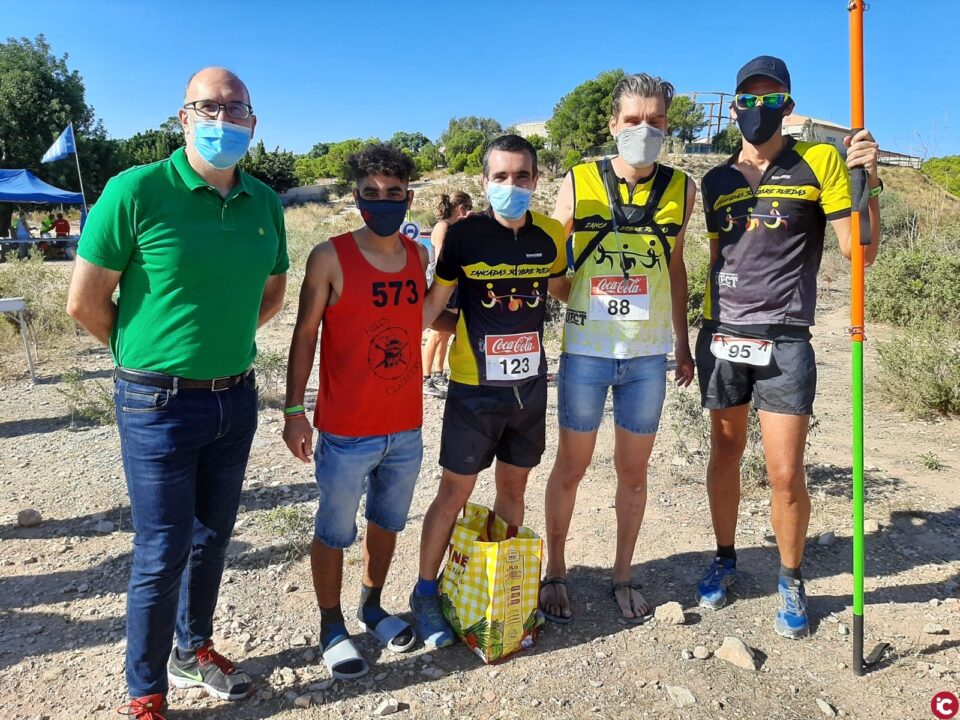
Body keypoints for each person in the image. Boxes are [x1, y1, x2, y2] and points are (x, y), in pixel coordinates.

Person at [66, 67, 288, 719]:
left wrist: (218, 341)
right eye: (208, 107)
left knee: (211, 537)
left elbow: (272, 293)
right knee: (162, 551)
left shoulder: (264, 203)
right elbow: (84, 303)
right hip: (155, 404)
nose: (224, 119)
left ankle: (193, 650)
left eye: (236, 109)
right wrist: (150, 356)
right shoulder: (135, 191)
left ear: (252, 122)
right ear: (184, 118)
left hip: (235, 398)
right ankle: (146, 689)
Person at [694, 56, 881, 639]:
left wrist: (868, 185)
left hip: (784, 339)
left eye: (770, 98)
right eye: (747, 99)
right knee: (723, 457)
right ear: (732, 108)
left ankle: (790, 576)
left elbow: (860, 254)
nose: (757, 108)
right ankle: (725, 559)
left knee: (782, 472)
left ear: (788, 106)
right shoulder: (716, 180)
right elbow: (715, 260)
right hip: (723, 336)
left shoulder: (819, 160)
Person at [539, 73, 696, 624]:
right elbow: (554, 257)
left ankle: (623, 575)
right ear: (614, 125)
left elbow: (675, 266)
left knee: (634, 473)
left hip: (647, 358)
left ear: (667, 126)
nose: (644, 129)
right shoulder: (579, 180)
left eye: (655, 121)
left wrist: (682, 342)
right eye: (633, 120)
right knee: (572, 467)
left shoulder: (683, 188)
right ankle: (555, 568)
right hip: (586, 351)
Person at [409, 134, 567, 647]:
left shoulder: (548, 235)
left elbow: (565, 286)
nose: (512, 185)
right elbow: (435, 303)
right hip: (474, 391)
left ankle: (498, 589)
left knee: (514, 491)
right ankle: (425, 593)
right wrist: (396, 347)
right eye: (500, 177)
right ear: (484, 181)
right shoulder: (463, 236)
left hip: (528, 389)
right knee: (454, 492)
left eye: (522, 176)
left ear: (536, 180)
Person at [283, 143, 428, 680]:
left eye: (393, 193)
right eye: (371, 193)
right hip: (345, 430)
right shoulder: (329, 256)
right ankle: (330, 624)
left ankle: (371, 606)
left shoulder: (418, 257)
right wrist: (294, 410)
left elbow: (426, 312)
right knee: (335, 530)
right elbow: (304, 336)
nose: (383, 201)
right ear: (356, 196)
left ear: (408, 197)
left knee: (387, 524)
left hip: (405, 427)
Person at [422, 191, 473, 399]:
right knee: (436, 332)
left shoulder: (452, 227)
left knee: (446, 332)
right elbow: (445, 258)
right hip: (444, 284)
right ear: (460, 208)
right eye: (468, 206)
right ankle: (425, 377)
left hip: (454, 284)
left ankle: (438, 371)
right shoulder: (444, 226)